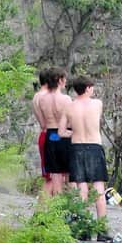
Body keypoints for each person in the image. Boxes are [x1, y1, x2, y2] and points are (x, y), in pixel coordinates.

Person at [58, 75, 112, 242]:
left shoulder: (69, 107)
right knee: (98, 189)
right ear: (88, 88)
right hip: (94, 147)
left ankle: (83, 228)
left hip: (76, 147)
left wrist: (74, 132)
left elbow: (61, 132)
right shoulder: (97, 104)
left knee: (81, 189)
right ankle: (102, 230)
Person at [37, 67, 71, 195]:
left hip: (50, 135)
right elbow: (70, 121)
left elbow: (43, 123)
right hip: (64, 136)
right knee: (68, 174)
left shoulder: (42, 99)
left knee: (55, 174)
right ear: (59, 80)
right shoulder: (66, 99)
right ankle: (69, 207)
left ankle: (56, 207)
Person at [32, 68, 53, 196]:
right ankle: (42, 211)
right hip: (50, 136)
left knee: (49, 177)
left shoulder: (36, 96)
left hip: (43, 135)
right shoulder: (46, 96)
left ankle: (44, 211)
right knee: (52, 178)